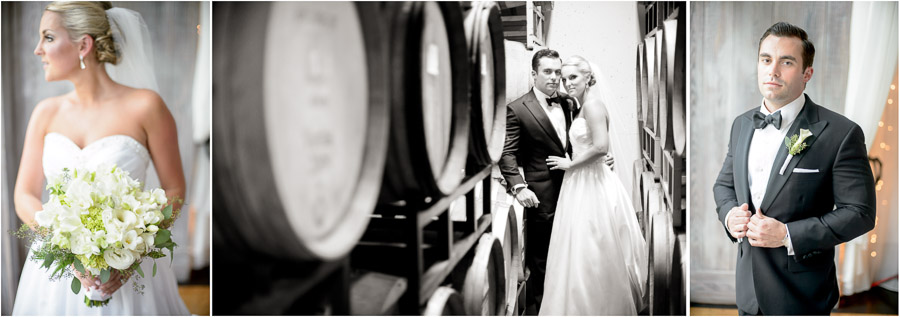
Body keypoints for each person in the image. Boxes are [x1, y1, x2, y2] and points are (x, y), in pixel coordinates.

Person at [12, 2, 190, 315]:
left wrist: (132, 252)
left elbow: (175, 190)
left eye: (48, 37)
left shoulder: (147, 107)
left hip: (133, 273)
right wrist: (66, 250)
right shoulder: (45, 113)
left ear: (84, 45)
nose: (38, 49)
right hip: (56, 275)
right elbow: (24, 194)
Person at [712, 22, 876, 315]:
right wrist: (729, 216)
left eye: (786, 62)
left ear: (806, 73)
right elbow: (724, 186)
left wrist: (788, 235)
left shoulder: (841, 133)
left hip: (802, 296)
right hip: (747, 293)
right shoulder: (741, 124)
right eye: (766, 59)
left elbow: (860, 213)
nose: (772, 70)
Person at [499, 49, 613, 314]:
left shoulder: (570, 101)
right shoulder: (517, 109)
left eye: (557, 72)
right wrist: (519, 186)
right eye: (547, 72)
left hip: (579, 190)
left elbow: (586, 142)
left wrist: (598, 161)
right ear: (533, 74)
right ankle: (542, 309)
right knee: (543, 260)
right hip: (543, 194)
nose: (554, 78)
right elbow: (508, 153)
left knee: (580, 253)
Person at [539, 56, 647, 315]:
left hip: (590, 182)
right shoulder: (580, 105)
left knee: (592, 247)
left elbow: (601, 147)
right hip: (580, 182)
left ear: (588, 77)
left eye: (573, 77)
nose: (567, 83)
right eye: (564, 79)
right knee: (576, 249)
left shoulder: (594, 105)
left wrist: (570, 165)